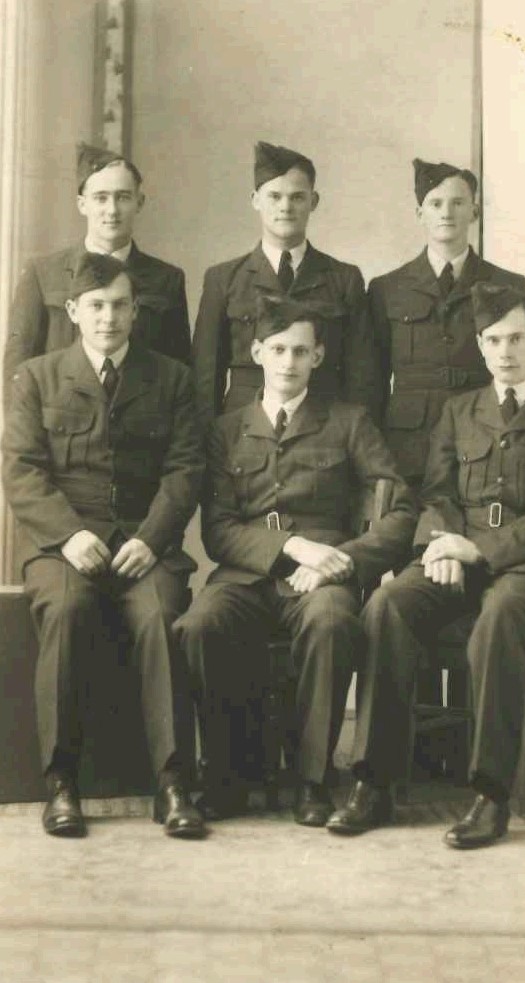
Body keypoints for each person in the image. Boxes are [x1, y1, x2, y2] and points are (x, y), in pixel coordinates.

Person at [327, 282, 525, 845]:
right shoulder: (459, 410)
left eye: (517, 338)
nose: (505, 351)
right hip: (457, 554)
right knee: (387, 605)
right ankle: (375, 782)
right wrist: (440, 544)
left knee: (500, 617)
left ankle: (490, 795)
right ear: (480, 344)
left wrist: (481, 550)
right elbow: (437, 491)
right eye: (493, 340)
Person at [175, 294, 415, 824]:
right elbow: (217, 531)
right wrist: (288, 549)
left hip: (326, 574)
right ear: (257, 351)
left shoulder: (348, 421)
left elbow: (398, 509)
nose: (289, 362)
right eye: (278, 349)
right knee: (198, 626)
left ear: (319, 357)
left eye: (301, 351)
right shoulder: (226, 429)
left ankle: (313, 780)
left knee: (332, 623)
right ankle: (228, 775)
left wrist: (344, 559)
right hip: (248, 572)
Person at [2, 253, 205, 840]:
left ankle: (171, 784)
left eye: (119, 306)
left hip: (148, 543)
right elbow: (22, 471)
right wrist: (69, 535)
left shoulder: (171, 378)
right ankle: (62, 784)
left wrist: (151, 538)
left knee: (162, 615)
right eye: (95, 306)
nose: (108, 318)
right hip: (65, 544)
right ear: (73, 311)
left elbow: (185, 468)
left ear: (136, 311)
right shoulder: (36, 377)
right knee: (66, 612)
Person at [191, 141, 379, 429]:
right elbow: (206, 378)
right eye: (274, 196)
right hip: (243, 429)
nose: (285, 207)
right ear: (255, 199)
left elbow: (361, 377)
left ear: (313, 201)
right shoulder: (224, 279)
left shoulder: (343, 278)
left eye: (297, 197)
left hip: (324, 429)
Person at [369, 157, 525, 487]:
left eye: (458, 202)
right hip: (409, 447)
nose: (446, 212)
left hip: (484, 436)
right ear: (419, 213)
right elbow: (372, 380)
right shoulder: (387, 288)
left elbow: (523, 374)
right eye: (436, 203)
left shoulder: (508, 285)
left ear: (474, 211)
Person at [3, 143, 191, 401]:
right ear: (82, 204)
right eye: (101, 198)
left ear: (140, 202)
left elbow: (179, 371)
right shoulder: (42, 274)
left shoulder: (166, 279)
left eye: (123, 197)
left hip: (140, 430)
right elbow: (18, 367)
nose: (112, 210)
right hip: (59, 425)